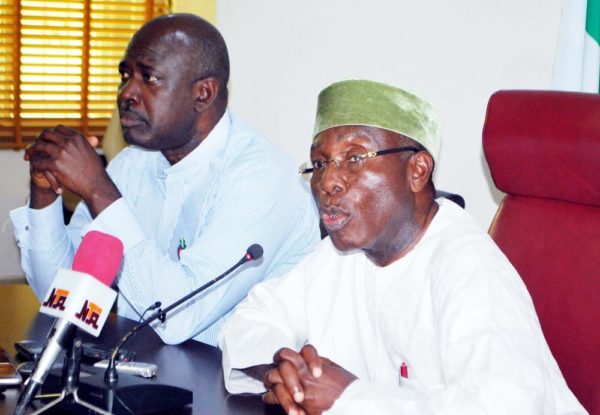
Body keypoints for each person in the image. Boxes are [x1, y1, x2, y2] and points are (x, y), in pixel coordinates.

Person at [218, 79, 587, 414]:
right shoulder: (344, 253)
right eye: (319, 163)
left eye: (355, 158)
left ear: (418, 170)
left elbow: (505, 406)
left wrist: (348, 398)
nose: (328, 181)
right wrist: (286, 371)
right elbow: (250, 322)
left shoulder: (469, 267)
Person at [10, 13, 320, 346]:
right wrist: (44, 197)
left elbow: (176, 316)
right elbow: (64, 297)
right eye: (126, 75)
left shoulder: (260, 177)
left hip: (233, 389)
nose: (126, 93)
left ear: (203, 94)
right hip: (139, 372)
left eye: (149, 78)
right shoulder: (133, 164)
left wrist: (99, 191)